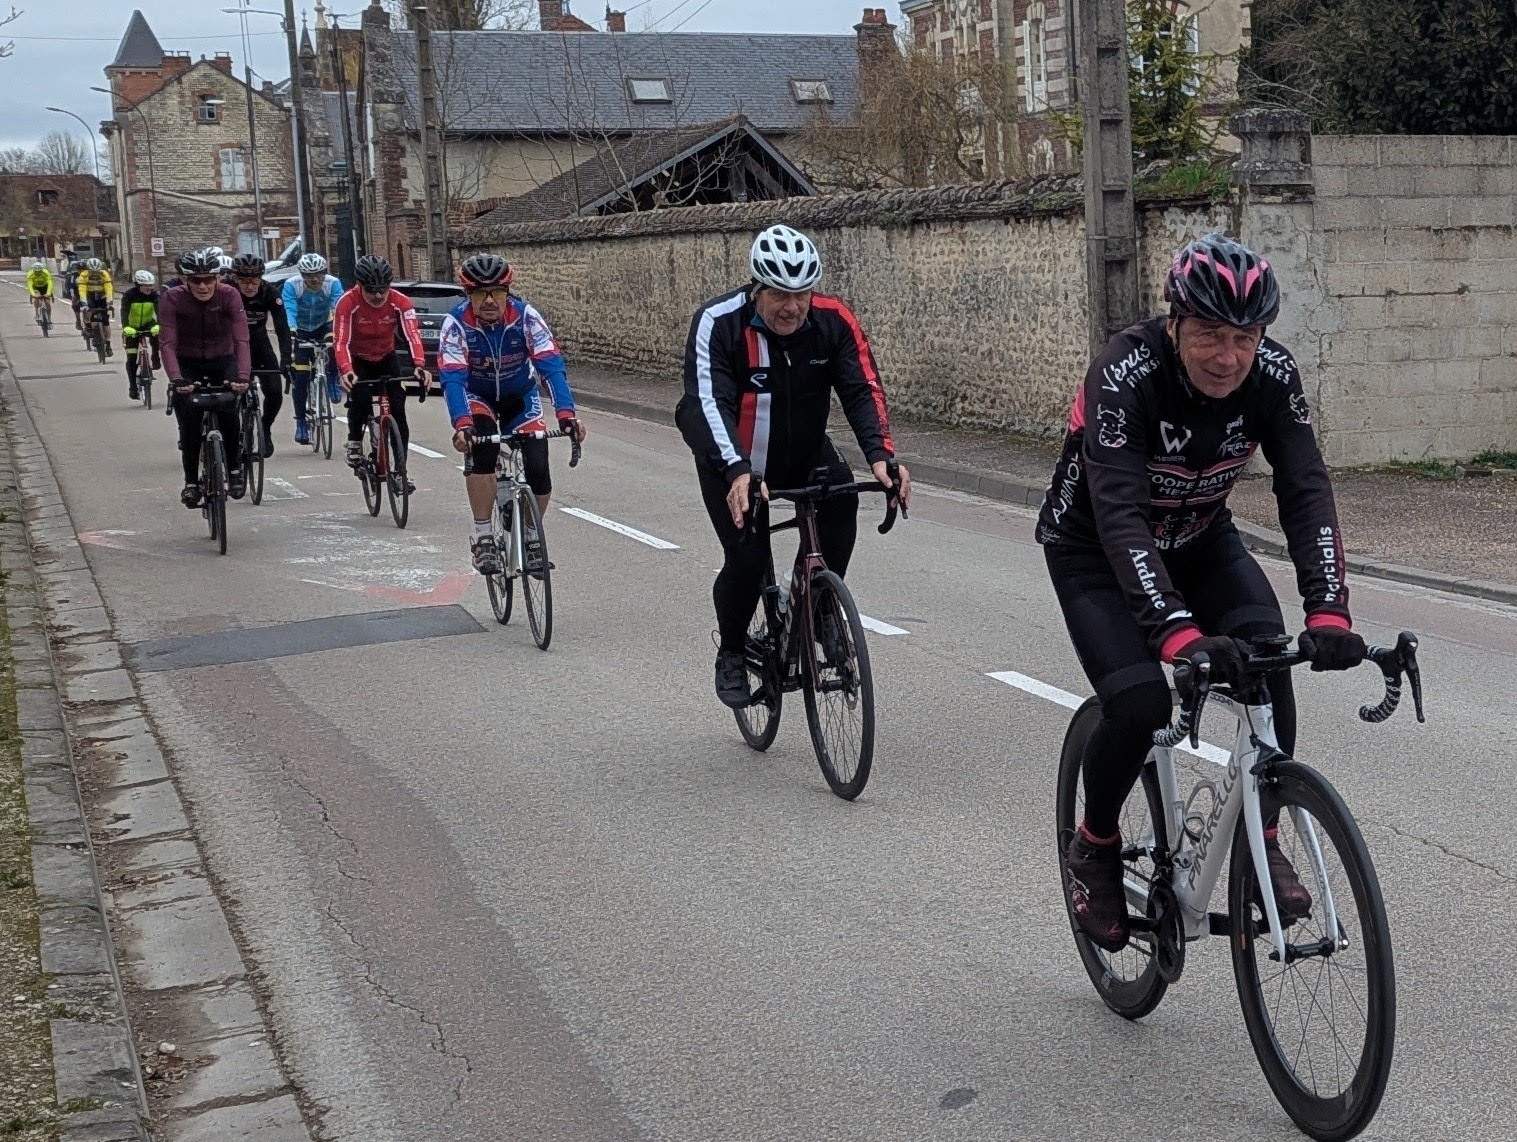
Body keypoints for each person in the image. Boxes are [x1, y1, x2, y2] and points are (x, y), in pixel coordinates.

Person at [1037, 233, 1366, 953]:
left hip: (1199, 536)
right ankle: (1094, 845)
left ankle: (1262, 840)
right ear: (1175, 323)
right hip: (1093, 547)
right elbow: (1120, 516)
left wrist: (1328, 607)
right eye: (1210, 335)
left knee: (1266, 658)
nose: (1227, 356)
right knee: (1139, 703)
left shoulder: (1273, 375)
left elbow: (1305, 488)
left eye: (1244, 337)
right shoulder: (1123, 372)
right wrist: (1177, 634)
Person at [675, 224, 911, 708]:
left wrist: (881, 456)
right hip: (734, 458)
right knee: (746, 559)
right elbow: (707, 404)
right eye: (780, 295)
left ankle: (819, 603)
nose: (792, 307)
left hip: (804, 450)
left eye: (802, 294)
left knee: (842, 500)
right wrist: (736, 470)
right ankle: (732, 650)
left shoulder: (833, 320)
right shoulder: (719, 323)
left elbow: (862, 389)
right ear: (757, 289)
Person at [438, 252, 585, 575]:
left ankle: (532, 536)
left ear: (507, 293)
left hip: (519, 395)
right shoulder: (457, 324)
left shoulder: (526, 318)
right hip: (478, 396)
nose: (490, 300)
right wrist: (462, 424)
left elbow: (551, 367)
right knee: (483, 451)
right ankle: (483, 537)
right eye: (481, 293)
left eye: (497, 292)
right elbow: (452, 378)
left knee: (539, 467)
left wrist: (567, 414)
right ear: (469, 296)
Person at [158, 249, 251, 507]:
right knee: (189, 419)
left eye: (209, 279)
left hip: (223, 358)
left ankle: (234, 469)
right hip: (187, 362)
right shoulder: (172, 298)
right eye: (196, 280)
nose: (203, 286)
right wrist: (176, 378)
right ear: (185, 280)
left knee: (229, 410)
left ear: (217, 278)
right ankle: (190, 482)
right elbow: (167, 343)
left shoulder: (229, 295)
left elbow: (242, 339)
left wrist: (243, 376)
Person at [334, 254, 429, 489]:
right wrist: (346, 370)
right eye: (371, 290)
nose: (377, 296)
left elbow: (412, 335)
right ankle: (355, 441)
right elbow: (341, 342)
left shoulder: (400, 301)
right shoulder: (347, 302)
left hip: (386, 357)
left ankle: (400, 471)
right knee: (360, 399)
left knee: (398, 410)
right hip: (358, 359)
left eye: (382, 290)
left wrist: (419, 365)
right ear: (359, 286)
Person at [229, 253, 291, 457]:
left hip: (259, 343)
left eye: (254, 280)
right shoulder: (227, 291)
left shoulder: (269, 292)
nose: (249, 286)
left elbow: (282, 328)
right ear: (235, 278)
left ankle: (265, 427)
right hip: (232, 346)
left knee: (274, 392)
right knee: (228, 396)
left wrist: (286, 359)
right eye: (244, 281)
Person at [282, 252, 343, 445]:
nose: (315, 280)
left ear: (325, 273)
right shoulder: (292, 285)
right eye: (309, 276)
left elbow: (337, 308)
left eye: (318, 275)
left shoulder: (333, 284)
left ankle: (332, 378)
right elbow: (289, 309)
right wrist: (291, 331)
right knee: (300, 376)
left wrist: (338, 329)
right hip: (301, 329)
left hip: (324, 324)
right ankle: (301, 421)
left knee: (334, 343)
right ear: (302, 275)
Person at [119, 270, 162, 401]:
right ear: (138, 285)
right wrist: (126, 327)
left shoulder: (154, 295)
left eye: (151, 285)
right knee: (131, 359)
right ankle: (132, 387)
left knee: (156, 334)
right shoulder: (129, 295)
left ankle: (155, 357)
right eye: (146, 285)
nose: (149, 288)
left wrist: (158, 324)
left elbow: (159, 311)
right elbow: (124, 312)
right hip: (132, 327)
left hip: (147, 323)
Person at [77, 257, 114, 352]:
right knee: (90, 314)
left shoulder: (104, 274)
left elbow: (109, 288)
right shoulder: (84, 275)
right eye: (92, 272)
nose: (94, 273)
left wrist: (109, 302)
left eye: (96, 271)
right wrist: (84, 304)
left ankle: (108, 343)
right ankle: (91, 330)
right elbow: (82, 290)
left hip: (102, 296)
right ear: (88, 269)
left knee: (105, 321)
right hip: (90, 296)